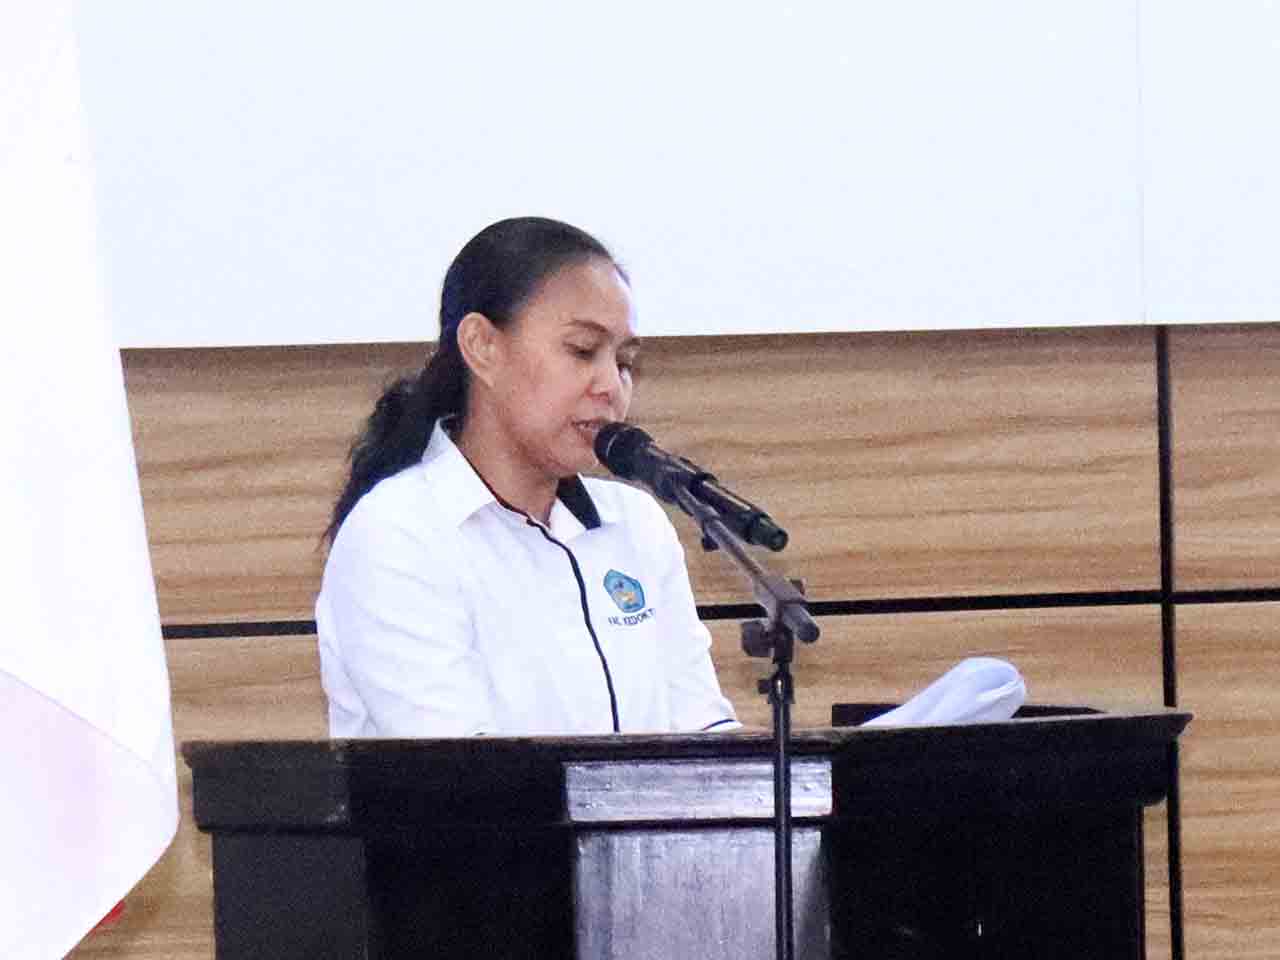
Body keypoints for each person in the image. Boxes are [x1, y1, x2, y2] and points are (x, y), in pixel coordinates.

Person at [316, 216, 738, 738]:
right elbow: (457, 768)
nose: (611, 386)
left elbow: (703, 733)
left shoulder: (637, 524)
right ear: (482, 346)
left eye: (625, 362)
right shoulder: (398, 533)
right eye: (582, 350)